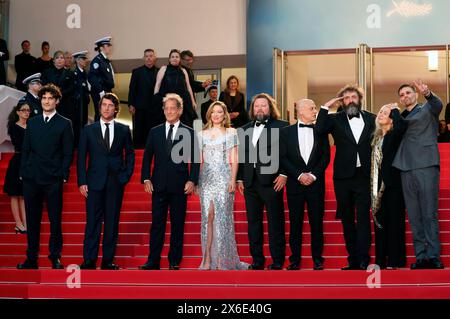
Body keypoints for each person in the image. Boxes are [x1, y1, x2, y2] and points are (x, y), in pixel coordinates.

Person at [315, 84, 376, 270]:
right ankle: (353, 260)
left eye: (353, 97)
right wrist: (326, 107)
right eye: (347, 97)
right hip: (343, 177)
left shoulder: (372, 118)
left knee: (364, 219)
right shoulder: (335, 119)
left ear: (359, 99)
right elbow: (319, 130)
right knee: (348, 220)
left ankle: (364, 259)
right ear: (342, 101)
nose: (350, 100)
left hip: (365, 176)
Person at [140, 93, 200, 270]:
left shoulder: (189, 132)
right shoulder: (154, 131)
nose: (169, 111)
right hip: (158, 185)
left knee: (177, 225)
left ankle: (174, 261)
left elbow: (195, 159)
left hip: (180, 186)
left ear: (180, 110)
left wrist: (192, 180)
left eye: (173, 108)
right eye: (166, 108)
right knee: (157, 224)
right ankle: (153, 260)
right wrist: (146, 178)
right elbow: (146, 158)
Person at [17, 84, 74, 270]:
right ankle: (31, 258)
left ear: (56, 101)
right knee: (32, 221)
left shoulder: (65, 123)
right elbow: (25, 149)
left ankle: (55, 256)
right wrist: (24, 171)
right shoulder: (32, 123)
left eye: (50, 98)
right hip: (32, 179)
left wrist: (63, 175)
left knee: (55, 220)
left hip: (53, 180)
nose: (46, 101)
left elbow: (68, 152)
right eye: (44, 98)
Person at [78, 93, 135, 270]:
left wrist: (124, 177)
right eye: (104, 105)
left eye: (110, 105)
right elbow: (81, 158)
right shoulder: (89, 130)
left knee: (112, 222)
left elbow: (130, 154)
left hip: (115, 183)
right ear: (100, 107)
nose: (107, 108)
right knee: (93, 222)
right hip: (94, 182)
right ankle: (89, 260)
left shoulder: (124, 130)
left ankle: (108, 260)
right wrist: (82, 181)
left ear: (116, 109)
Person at [393, 80, 444, 269]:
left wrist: (428, 93)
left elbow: (438, 105)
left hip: (426, 165)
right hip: (405, 167)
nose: (405, 96)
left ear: (415, 94)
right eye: (402, 95)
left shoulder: (427, 109)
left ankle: (433, 256)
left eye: (408, 93)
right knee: (414, 216)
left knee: (429, 213)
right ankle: (421, 256)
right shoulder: (399, 116)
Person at [237, 93, 288, 270]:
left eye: (263, 105)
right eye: (256, 105)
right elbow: (242, 157)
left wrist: (284, 174)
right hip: (250, 183)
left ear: (270, 108)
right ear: (253, 109)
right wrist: (240, 178)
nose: (260, 108)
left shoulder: (282, 126)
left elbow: (287, 153)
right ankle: (257, 260)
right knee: (253, 224)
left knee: (275, 223)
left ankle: (278, 260)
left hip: (273, 181)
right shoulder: (243, 129)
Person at [196, 101, 248, 270]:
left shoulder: (231, 132)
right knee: (208, 218)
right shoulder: (201, 134)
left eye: (220, 112)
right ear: (209, 114)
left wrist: (233, 180)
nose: (216, 115)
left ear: (224, 114)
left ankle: (222, 260)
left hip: (224, 178)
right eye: (213, 112)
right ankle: (207, 259)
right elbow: (200, 161)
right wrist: (197, 182)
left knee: (222, 219)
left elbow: (234, 159)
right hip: (206, 179)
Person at [280, 99, 330, 270]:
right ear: (301, 111)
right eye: (312, 108)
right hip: (295, 185)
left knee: (317, 223)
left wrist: (313, 175)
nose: (315, 111)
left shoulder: (321, 131)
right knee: (295, 224)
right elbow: (283, 158)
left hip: (316, 186)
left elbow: (325, 157)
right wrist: (300, 175)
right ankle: (295, 260)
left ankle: (318, 259)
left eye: (315, 108)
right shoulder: (285, 132)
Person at [371, 103, 407, 269]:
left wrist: (395, 110)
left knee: (395, 223)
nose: (381, 114)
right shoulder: (375, 138)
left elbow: (402, 125)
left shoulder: (395, 134)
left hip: (393, 185)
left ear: (392, 119)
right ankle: (380, 261)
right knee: (379, 223)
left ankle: (394, 260)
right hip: (377, 188)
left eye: (386, 113)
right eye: (380, 111)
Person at [3, 101, 30, 234]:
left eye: (28, 110)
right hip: (17, 162)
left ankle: (25, 222)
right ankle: (18, 223)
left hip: (29, 162)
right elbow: (20, 144)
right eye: (24, 110)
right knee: (15, 194)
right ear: (18, 112)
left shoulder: (31, 126)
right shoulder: (14, 127)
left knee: (24, 195)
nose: (26, 112)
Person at [154, 49, 197, 127]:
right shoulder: (163, 68)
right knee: (166, 123)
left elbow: (188, 87)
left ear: (180, 59)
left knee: (185, 124)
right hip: (167, 100)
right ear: (169, 59)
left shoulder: (183, 70)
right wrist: (155, 98)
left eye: (177, 57)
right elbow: (158, 84)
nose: (174, 58)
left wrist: (193, 101)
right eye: (172, 57)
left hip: (184, 101)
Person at [128, 49, 160, 148]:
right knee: (139, 130)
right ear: (143, 58)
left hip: (155, 108)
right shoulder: (137, 72)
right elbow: (132, 88)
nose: (149, 58)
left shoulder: (160, 72)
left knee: (154, 130)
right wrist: (131, 104)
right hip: (140, 107)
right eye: (146, 56)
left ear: (155, 58)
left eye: (151, 56)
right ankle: (138, 150)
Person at [42, 51, 76, 121]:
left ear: (64, 60)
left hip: (65, 104)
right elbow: (44, 86)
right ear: (53, 60)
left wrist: (59, 95)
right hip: (49, 103)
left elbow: (71, 88)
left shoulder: (70, 74)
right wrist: (53, 96)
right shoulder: (47, 72)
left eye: (62, 58)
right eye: (57, 58)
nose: (59, 59)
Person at [88, 37, 115, 122]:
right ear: (101, 48)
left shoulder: (105, 60)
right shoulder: (97, 61)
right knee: (101, 114)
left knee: (108, 114)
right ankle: (98, 134)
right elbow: (91, 77)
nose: (109, 47)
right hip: (100, 92)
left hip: (107, 91)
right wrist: (101, 91)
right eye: (107, 45)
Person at [72, 50, 91, 147]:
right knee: (78, 123)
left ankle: (82, 143)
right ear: (78, 60)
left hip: (84, 102)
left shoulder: (84, 73)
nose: (85, 61)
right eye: (83, 59)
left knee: (84, 122)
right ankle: (77, 144)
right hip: (78, 103)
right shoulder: (74, 73)